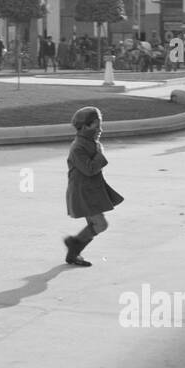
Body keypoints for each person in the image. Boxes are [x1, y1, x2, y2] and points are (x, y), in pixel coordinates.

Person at [63, 106, 124, 266]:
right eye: (95, 126)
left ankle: (73, 251)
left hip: (89, 191)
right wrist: (99, 154)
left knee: (95, 224)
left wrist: (97, 150)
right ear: (83, 127)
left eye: (100, 125)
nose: (100, 129)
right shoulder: (78, 147)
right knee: (101, 224)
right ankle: (74, 244)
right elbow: (89, 169)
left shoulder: (89, 142)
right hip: (83, 192)